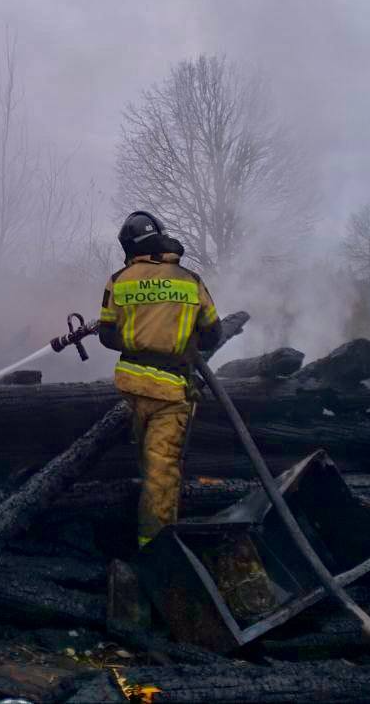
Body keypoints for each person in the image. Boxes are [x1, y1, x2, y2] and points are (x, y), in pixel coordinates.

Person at [97, 210, 224, 548]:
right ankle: (154, 550)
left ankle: (115, 540)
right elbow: (214, 335)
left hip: (128, 392)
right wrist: (181, 340)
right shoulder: (191, 280)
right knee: (161, 475)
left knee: (131, 464)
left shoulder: (119, 280)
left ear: (129, 245)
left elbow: (107, 336)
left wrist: (138, 339)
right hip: (171, 394)